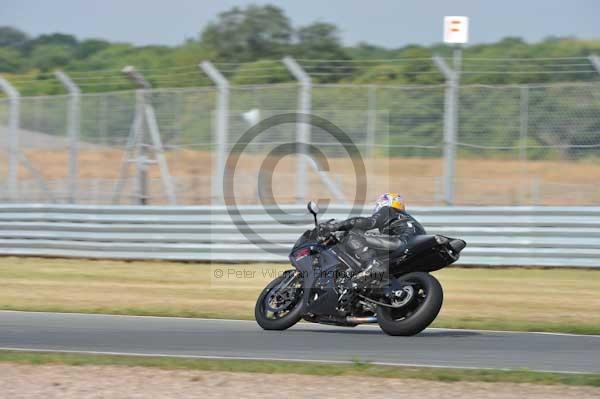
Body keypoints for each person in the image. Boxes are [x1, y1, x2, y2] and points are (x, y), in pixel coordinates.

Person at [320, 193, 426, 286]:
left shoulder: (388, 210)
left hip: (400, 242)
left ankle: (372, 264)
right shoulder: (410, 220)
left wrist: (336, 226)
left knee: (352, 233)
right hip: (411, 251)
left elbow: (368, 223)